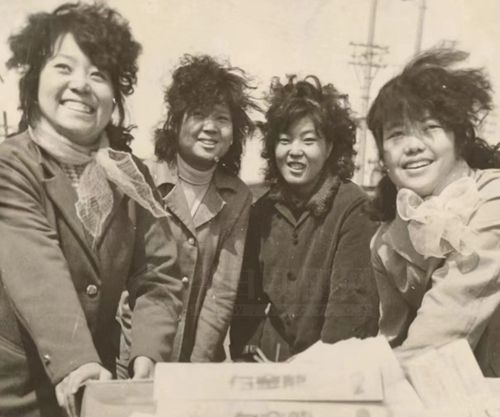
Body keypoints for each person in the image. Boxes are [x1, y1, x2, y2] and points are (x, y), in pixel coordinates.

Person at [0, 3, 181, 417]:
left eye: (99, 74)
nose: (81, 85)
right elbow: (36, 268)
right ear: (33, 80)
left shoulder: (128, 172)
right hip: (13, 410)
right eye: (63, 67)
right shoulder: (12, 165)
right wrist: (79, 365)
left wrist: (147, 353)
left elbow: (160, 274)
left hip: (91, 408)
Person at [368, 47, 500, 376]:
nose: (413, 146)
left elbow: (450, 316)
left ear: (459, 137)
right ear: (383, 157)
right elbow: (392, 338)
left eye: (429, 127)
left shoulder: (493, 198)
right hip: (451, 388)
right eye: (397, 134)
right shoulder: (385, 243)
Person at [118, 54, 256, 364]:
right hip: (129, 355)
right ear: (176, 121)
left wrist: (194, 371)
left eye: (222, 118)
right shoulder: (142, 177)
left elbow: (222, 293)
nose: (210, 127)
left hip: (195, 362)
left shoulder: (238, 197)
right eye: (198, 114)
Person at [230, 76, 379, 362]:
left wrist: (310, 370)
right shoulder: (261, 211)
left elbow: (350, 311)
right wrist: (247, 359)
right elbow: (247, 305)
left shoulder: (354, 208)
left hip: (329, 367)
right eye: (284, 140)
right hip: (267, 366)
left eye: (308, 140)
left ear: (330, 147)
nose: (295, 151)